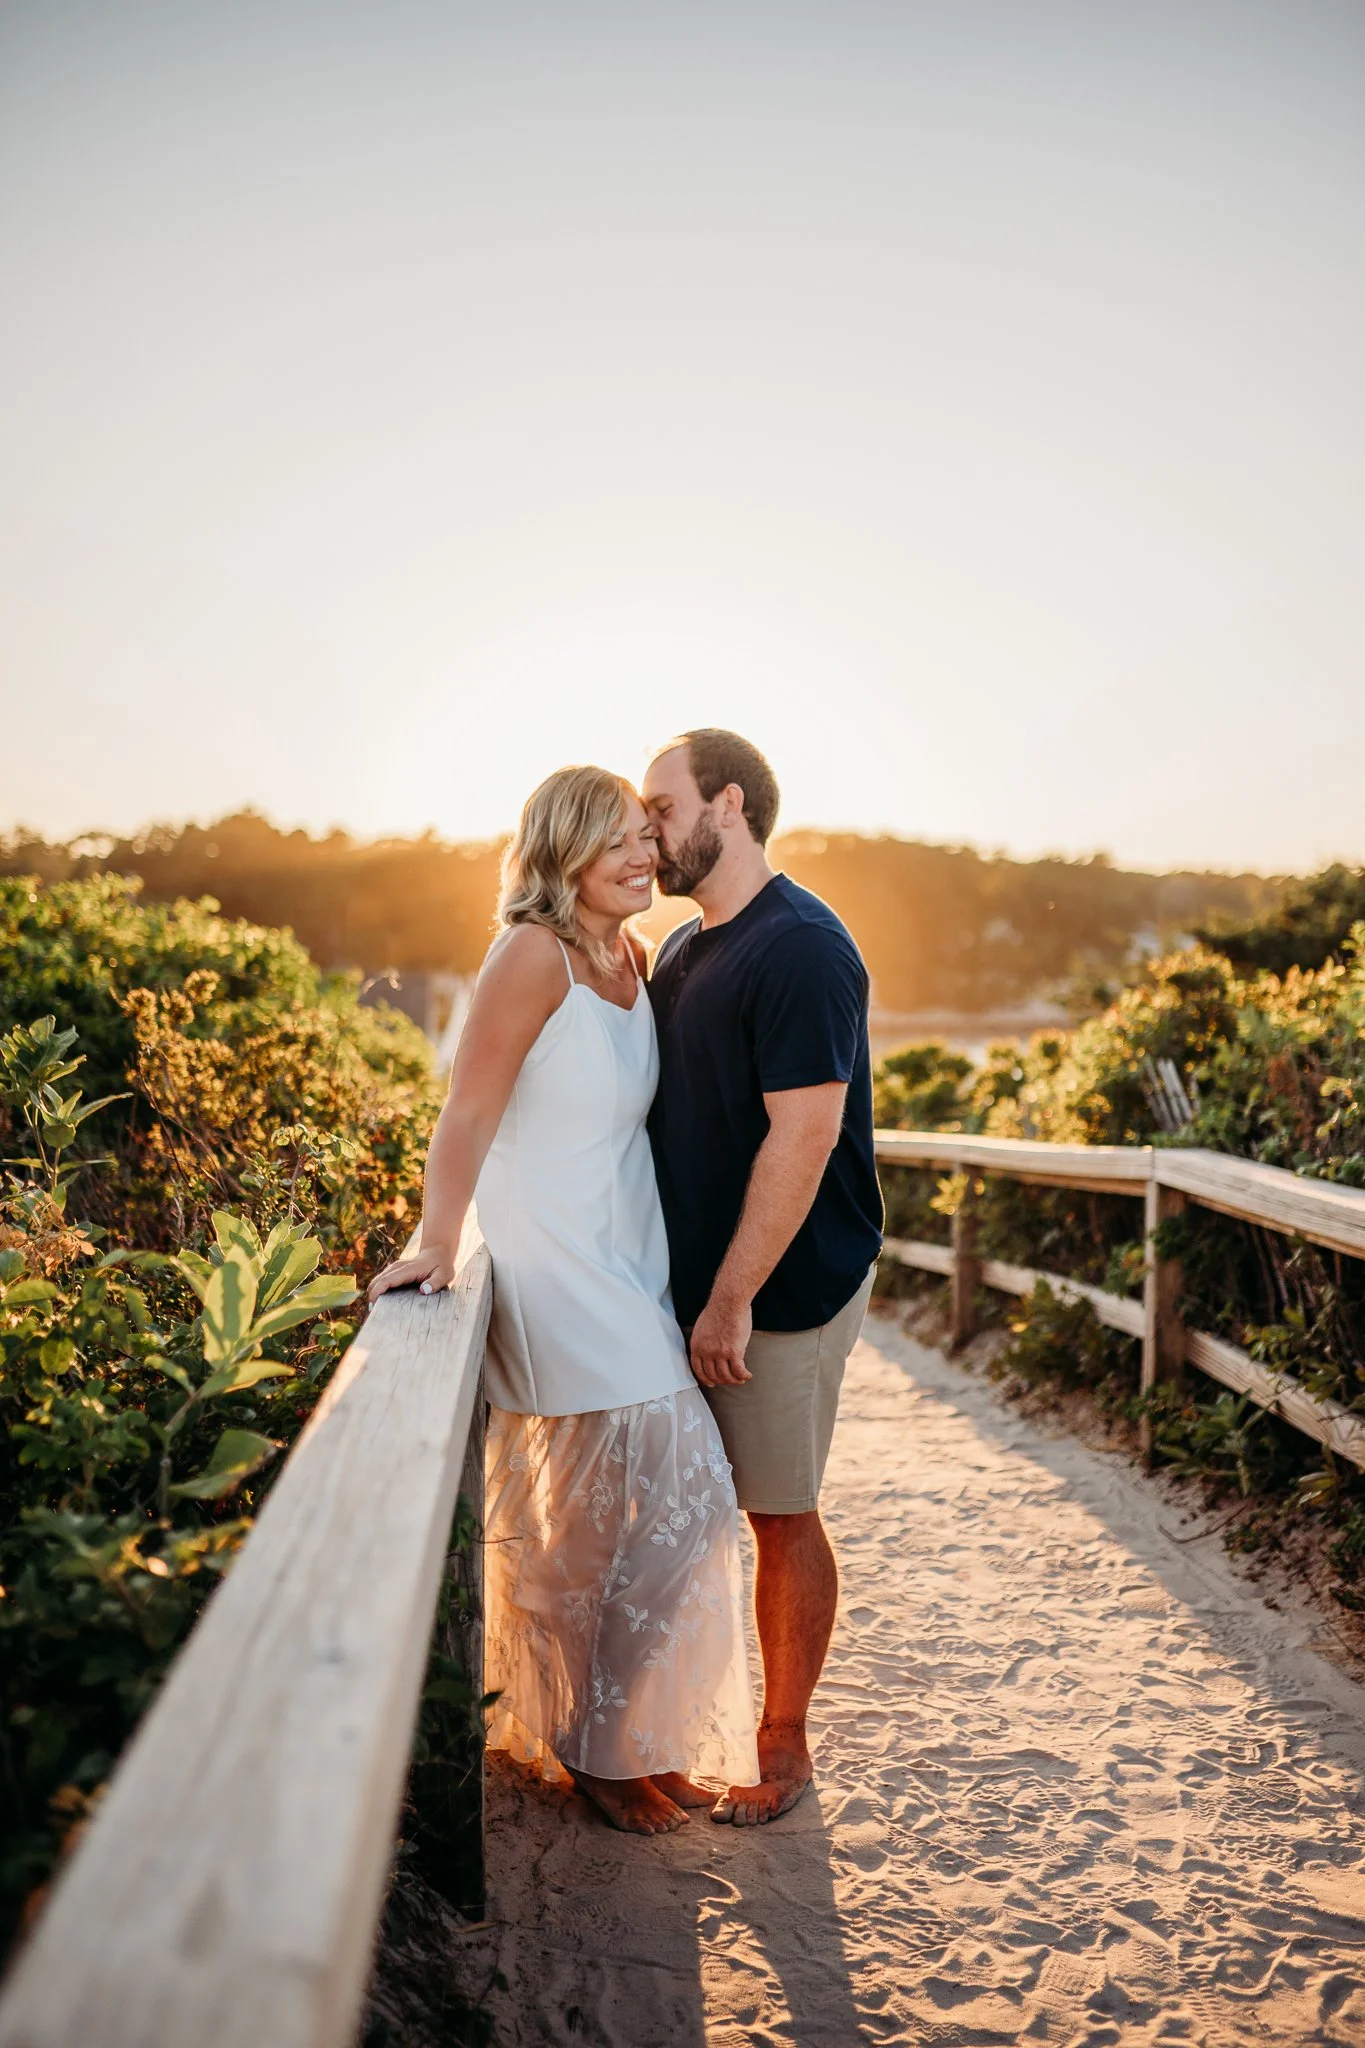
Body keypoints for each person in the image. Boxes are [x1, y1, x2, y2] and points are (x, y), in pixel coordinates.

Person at [368, 765, 758, 1836]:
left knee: (595, 1526)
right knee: (690, 1488)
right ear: (560, 856)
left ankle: (607, 1736)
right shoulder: (530, 953)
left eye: (647, 836)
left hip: (630, 1264)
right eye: (616, 843)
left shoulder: (630, 953)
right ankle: (598, 1746)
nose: (643, 858)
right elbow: (468, 1108)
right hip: (553, 1266)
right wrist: (439, 1237)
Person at [642, 728, 883, 1826]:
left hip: (784, 1286)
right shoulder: (687, 953)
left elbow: (805, 1137)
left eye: (661, 804)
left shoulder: (803, 948)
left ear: (726, 804)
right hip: (689, 1286)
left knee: (777, 1511)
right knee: (690, 1507)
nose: (646, 826)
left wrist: (731, 1295)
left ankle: (784, 1744)